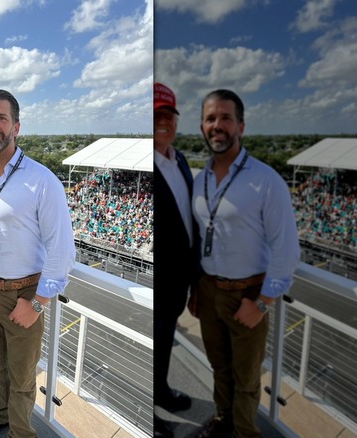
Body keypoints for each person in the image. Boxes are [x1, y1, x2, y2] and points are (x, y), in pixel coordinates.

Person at [0, 89, 75, 438]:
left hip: (23, 293)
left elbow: (62, 248)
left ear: (16, 126)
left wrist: (39, 302)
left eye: (1, 118)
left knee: (23, 377)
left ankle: (22, 433)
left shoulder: (41, 180)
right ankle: (0, 415)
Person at [188, 89, 300, 438]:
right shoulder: (201, 178)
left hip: (248, 293)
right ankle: (224, 420)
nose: (217, 125)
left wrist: (264, 303)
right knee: (220, 367)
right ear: (203, 127)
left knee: (247, 377)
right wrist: (197, 289)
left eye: (225, 118)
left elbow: (286, 250)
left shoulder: (266, 181)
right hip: (208, 289)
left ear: (241, 126)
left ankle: (245, 432)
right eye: (210, 118)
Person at [152, 82, 196, 437]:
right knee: (154, 342)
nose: (162, 121)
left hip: (178, 282)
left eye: (168, 114)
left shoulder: (178, 159)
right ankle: (150, 416)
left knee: (165, 341)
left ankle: (162, 391)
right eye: (155, 115)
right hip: (157, 282)